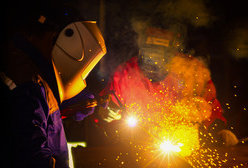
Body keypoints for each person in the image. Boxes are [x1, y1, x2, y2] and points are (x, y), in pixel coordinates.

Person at [0, 5, 123, 168]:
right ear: (56, 40)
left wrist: (68, 108)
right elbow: (32, 154)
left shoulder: (28, 71)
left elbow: (32, 119)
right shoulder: (29, 85)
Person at [98, 26, 238, 149]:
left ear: (172, 53)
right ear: (141, 51)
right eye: (149, 55)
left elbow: (212, 109)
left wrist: (218, 131)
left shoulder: (193, 71)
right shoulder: (125, 74)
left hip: (185, 148)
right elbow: (103, 110)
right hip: (137, 151)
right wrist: (105, 114)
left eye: (160, 56)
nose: (154, 62)